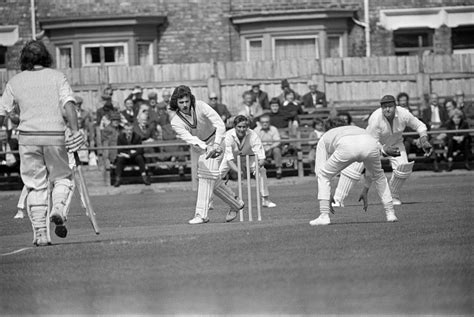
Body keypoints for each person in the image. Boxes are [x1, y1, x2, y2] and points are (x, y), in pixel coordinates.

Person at [0, 40, 85, 246]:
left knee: (34, 185)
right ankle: (58, 207)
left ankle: (40, 233)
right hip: (54, 135)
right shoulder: (57, 77)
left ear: (24, 59)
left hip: (27, 138)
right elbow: (68, 104)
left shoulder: (15, 81)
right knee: (63, 177)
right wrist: (75, 131)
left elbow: (2, 111)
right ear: (46, 57)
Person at [333, 95, 432, 206]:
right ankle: (337, 199)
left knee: (403, 168)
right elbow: (372, 142)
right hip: (367, 143)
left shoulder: (404, 114)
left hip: (395, 143)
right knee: (352, 171)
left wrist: (423, 139)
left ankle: (392, 196)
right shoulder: (376, 118)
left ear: (395, 106)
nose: (387, 109)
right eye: (384, 107)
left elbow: (420, 126)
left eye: (390, 106)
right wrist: (384, 149)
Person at [169, 85, 244, 224]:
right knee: (211, 180)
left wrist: (215, 144)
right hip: (200, 147)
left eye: (186, 101)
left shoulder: (201, 106)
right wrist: (206, 147)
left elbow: (220, 124)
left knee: (205, 177)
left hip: (217, 140)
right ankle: (236, 203)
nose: (185, 105)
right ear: (176, 103)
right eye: (181, 102)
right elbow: (189, 138)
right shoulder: (176, 121)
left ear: (190, 99)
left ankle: (201, 215)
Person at [309, 118, 398, 226]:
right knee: (379, 176)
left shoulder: (325, 136)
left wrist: (326, 194)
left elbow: (320, 171)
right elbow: (374, 143)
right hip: (369, 143)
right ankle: (390, 213)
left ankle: (324, 215)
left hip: (347, 146)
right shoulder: (357, 129)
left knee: (323, 176)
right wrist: (383, 150)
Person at [221, 115, 276, 210]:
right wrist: (239, 171)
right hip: (231, 158)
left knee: (262, 170)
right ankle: (209, 202)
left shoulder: (253, 135)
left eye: (244, 127)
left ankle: (265, 199)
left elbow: (261, 157)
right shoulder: (228, 136)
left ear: (247, 127)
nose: (242, 129)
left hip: (249, 157)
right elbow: (229, 160)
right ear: (234, 126)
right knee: (216, 176)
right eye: (239, 127)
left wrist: (257, 166)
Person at [254, 114, 283, 179]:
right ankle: (257, 172)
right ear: (260, 123)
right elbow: (254, 142)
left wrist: (270, 147)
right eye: (263, 122)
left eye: (266, 122)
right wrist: (261, 149)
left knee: (277, 150)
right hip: (261, 149)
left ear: (269, 122)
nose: (265, 124)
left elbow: (278, 141)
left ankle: (279, 171)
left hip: (271, 148)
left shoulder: (274, 129)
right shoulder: (256, 130)